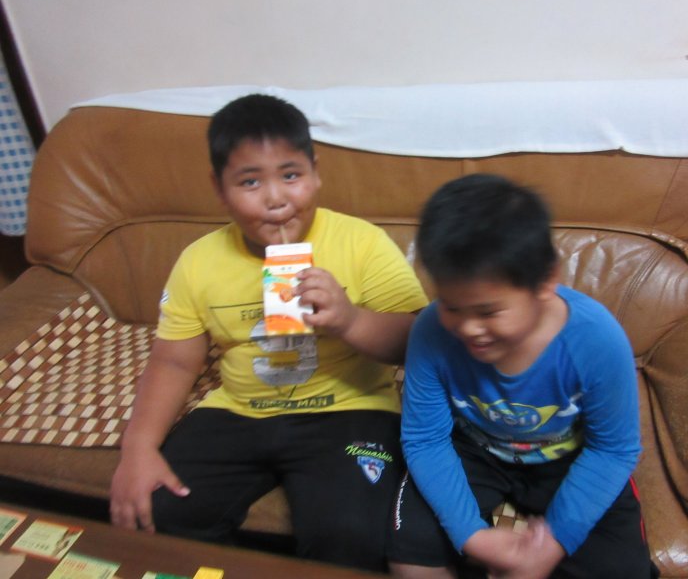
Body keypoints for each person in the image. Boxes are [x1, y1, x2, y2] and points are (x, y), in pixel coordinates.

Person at [110, 93, 429, 572]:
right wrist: (138, 447)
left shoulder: (360, 243)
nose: (276, 198)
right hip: (238, 410)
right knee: (158, 509)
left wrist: (349, 319)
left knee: (351, 534)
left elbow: (417, 341)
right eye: (250, 181)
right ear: (219, 189)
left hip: (349, 409)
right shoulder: (199, 261)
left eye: (291, 175)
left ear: (315, 174)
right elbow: (173, 361)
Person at [387, 174, 657, 578]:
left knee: (622, 570)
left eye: (489, 312)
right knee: (411, 556)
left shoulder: (597, 340)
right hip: (472, 449)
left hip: (569, 456)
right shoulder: (431, 331)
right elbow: (425, 439)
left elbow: (614, 450)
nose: (468, 328)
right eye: (451, 306)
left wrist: (556, 539)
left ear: (545, 280)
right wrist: (471, 536)